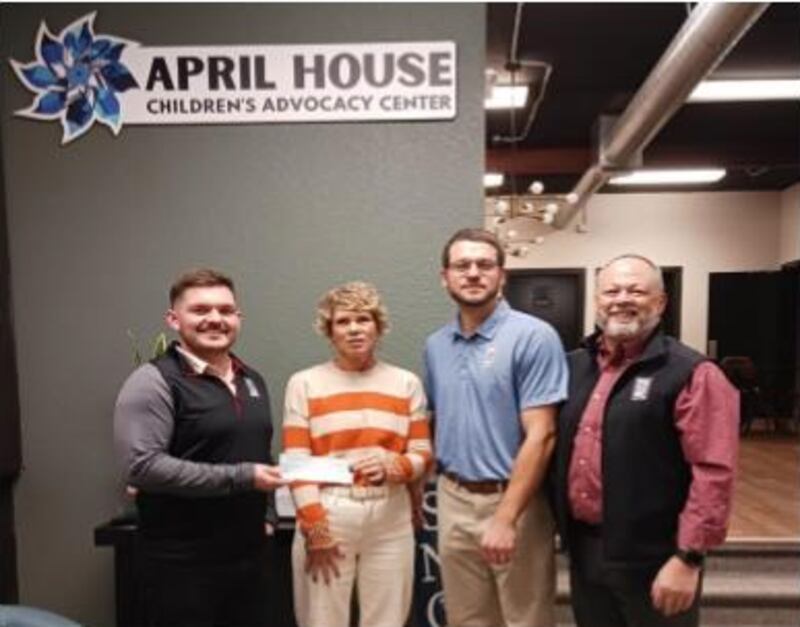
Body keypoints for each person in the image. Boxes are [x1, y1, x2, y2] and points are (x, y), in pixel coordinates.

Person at [552, 254, 739, 627]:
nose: (622, 298)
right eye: (612, 290)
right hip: (586, 550)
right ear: (597, 300)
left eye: (636, 290)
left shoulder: (693, 373)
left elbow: (713, 472)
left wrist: (688, 559)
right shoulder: (573, 366)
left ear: (661, 302)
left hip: (657, 560)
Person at [114, 268, 284, 627]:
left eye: (225, 310)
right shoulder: (152, 381)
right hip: (181, 568)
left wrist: (267, 515)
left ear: (238, 318)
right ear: (174, 319)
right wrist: (244, 477)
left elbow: (258, 450)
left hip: (250, 561)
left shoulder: (252, 379)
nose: (215, 319)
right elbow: (142, 466)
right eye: (200, 310)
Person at [424, 228, 569, 627]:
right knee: (466, 619)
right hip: (453, 498)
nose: (473, 273)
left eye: (484, 264)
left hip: (513, 502)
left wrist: (505, 518)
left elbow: (543, 435)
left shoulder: (533, 337)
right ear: (445, 277)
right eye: (462, 265)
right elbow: (435, 422)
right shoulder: (436, 345)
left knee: (525, 619)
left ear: (502, 276)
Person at [283, 281, 432, 627]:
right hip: (329, 509)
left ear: (377, 326)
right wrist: (316, 527)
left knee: (388, 620)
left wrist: (395, 464)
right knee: (322, 620)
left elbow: (423, 453)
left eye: (363, 319)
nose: (353, 329)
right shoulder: (304, 383)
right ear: (329, 330)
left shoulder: (405, 383)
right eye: (343, 321)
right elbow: (297, 462)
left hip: (391, 515)